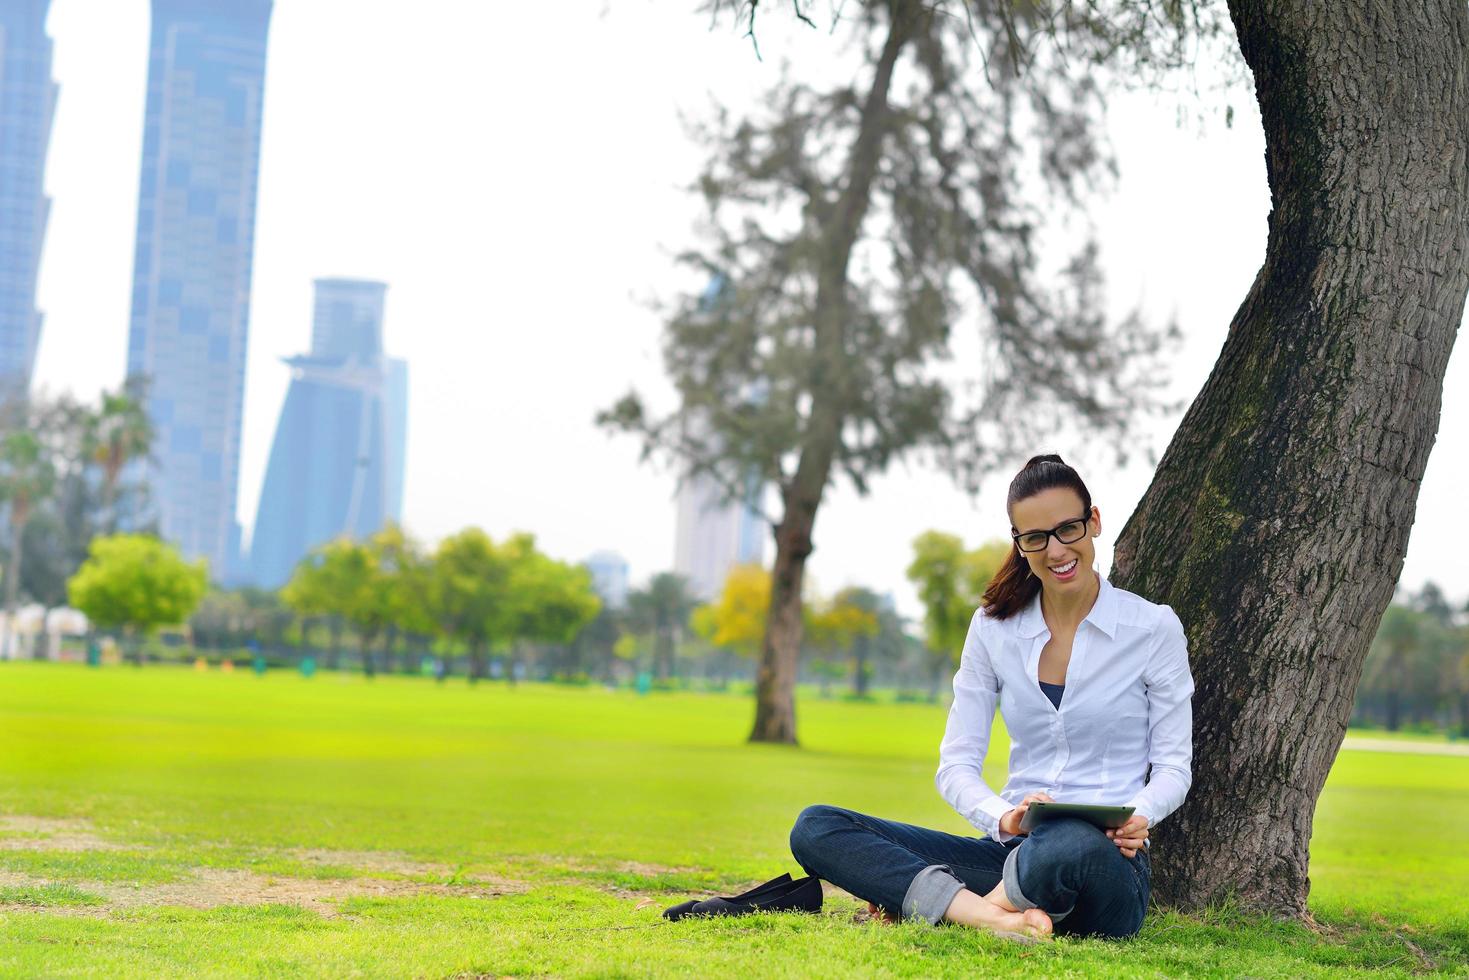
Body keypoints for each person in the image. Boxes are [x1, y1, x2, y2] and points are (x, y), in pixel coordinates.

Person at [788, 454, 1194, 939]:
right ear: (1020, 545)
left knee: (1069, 840)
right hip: (1011, 855)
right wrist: (1008, 817)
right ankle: (992, 918)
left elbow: (1174, 766)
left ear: (1094, 523)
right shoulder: (992, 629)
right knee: (817, 827)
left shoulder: (1152, 627)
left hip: (1106, 866)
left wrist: (1139, 815)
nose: (1056, 550)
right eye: (1035, 538)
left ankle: (955, 907)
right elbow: (956, 765)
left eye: (1068, 529)